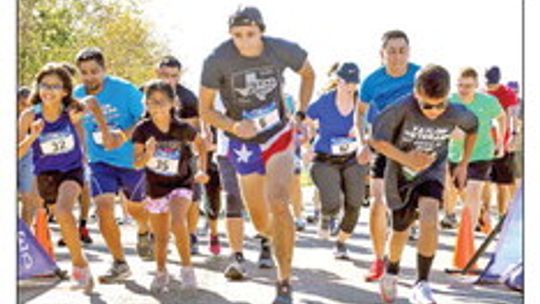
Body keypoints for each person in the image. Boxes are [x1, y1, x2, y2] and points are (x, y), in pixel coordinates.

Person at [198, 6, 315, 304]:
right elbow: (205, 109)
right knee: (263, 223)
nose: (244, 41)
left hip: (277, 132)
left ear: (261, 31)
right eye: (237, 35)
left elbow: (308, 73)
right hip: (243, 142)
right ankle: (280, 240)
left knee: (279, 201)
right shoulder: (217, 59)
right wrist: (233, 125)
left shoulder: (280, 49)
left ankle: (284, 281)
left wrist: (300, 112)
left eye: (250, 34)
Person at [371, 65, 478, 304]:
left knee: (430, 217)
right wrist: (407, 159)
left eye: (440, 105)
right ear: (416, 94)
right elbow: (376, 140)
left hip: (432, 171)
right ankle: (392, 271)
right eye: (427, 105)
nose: (434, 111)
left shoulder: (455, 112)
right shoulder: (400, 109)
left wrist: (463, 163)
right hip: (399, 174)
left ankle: (422, 283)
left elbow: (473, 127)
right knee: (400, 230)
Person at [18, 63, 111, 293]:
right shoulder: (29, 115)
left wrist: (104, 130)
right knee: (60, 217)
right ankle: (83, 266)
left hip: (71, 171)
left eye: (55, 86)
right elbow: (17, 152)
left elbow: (92, 102)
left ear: (65, 91)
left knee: (63, 211)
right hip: (46, 176)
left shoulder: (72, 110)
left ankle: (78, 264)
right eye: (44, 85)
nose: (48, 90)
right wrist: (33, 137)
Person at [73, 47, 152, 283]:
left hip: (131, 160)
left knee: (137, 209)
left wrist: (123, 136)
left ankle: (143, 230)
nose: (89, 77)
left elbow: (146, 119)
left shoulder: (125, 90)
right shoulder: (77, 94)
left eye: (94, 71)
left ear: (104, 70)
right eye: (84, 72)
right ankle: (119, 262)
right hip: (100, 161)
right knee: (104, 208)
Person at [133, 80, 209, 292]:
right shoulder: (142, 130)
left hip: (181, 183)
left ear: (172, 103)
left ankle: (187, 269)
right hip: (156, 187)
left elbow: (201, 144)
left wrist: (202, 169)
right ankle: (161, 271)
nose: (156, 106)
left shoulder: (181, 128)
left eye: (160, 101)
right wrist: (147, 154)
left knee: (177, 221)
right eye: (151, 102)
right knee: (161, 236)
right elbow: (136, 162)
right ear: (145, 104)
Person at [359, 30, 421, 282]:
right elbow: (360, 113)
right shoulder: (372, 82)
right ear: (381, 54)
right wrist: (361, 140)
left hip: (414, 147)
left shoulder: (419, 75)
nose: (397, 56)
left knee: (409, 207)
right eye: (391, 51)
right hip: (383, 144)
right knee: (378, 201)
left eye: (402, 50)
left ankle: (400, 258)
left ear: (409, 52)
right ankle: (378, 259)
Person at [304, 62, 368, 260]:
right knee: (331, 199)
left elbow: (377, 122)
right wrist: (307, 144)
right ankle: (326, 215)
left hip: (352, 158)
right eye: (346, 82)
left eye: (354, 83)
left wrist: (363, 134)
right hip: (325, 158)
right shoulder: (325, 101)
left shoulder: (362, 104)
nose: (350, 87)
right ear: (338, 81)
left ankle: (341, 242)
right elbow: (304, 117)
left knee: (354, 203)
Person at [442, 68, 505, 231]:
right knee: (459, 190)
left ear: (476, 85)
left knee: (474, 190)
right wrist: (450, 132)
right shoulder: (450, 101)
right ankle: (481, 212)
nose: (463, 90)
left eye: (468, 86)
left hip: (482, 153)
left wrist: (500, 141)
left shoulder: (488, 102)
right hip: (456, 154)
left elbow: (501, 117)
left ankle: (468, 233)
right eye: (460, 85)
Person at [483, 66, 519, 220]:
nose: (490, 87)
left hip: (502, 143)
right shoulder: (482, 92)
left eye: (493, 84)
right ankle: (483, 216)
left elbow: (513, 116)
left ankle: (502, 214)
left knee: (502, 183)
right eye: (488, 83)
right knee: (483, 181)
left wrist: (513, 135)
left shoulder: (508, 94)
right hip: (483, 143)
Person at [18, 86, 42, 226]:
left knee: (28, 197)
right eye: (22, 104)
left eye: (29, 105)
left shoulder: (34, 116)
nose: (25, 108)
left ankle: (25, 235)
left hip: (29, 154)